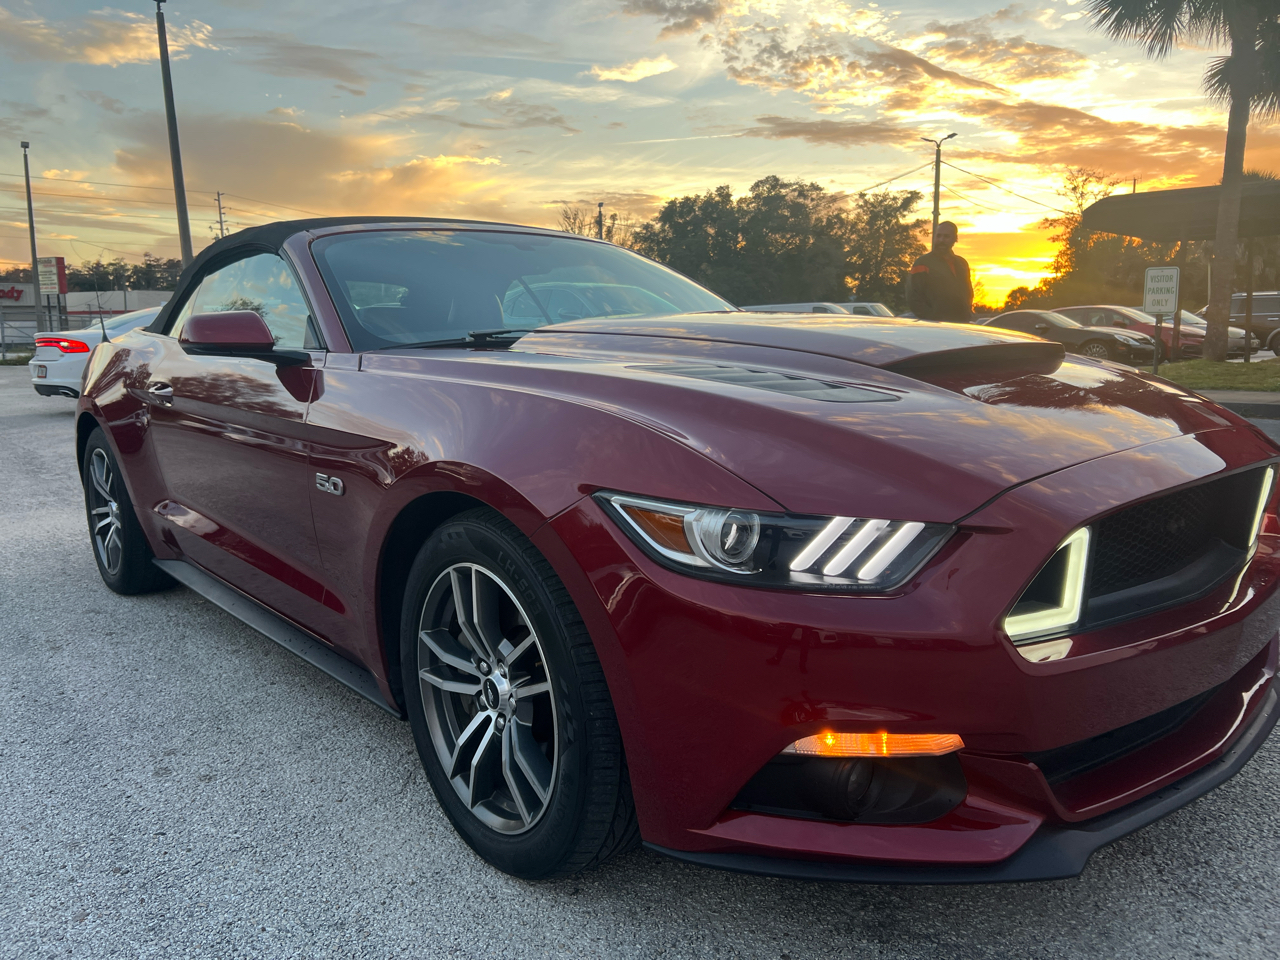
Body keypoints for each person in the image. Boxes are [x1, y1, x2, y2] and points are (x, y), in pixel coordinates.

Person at [906, 221, 973, 323]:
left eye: (946, 237)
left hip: (960, 324)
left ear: (955, 239)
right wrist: (932, 318)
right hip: (933, 326)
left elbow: (968, 292)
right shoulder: (923, 263)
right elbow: (913, 297)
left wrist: (966, 313)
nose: (941, 240)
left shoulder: (962, 264)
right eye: (938, 236)